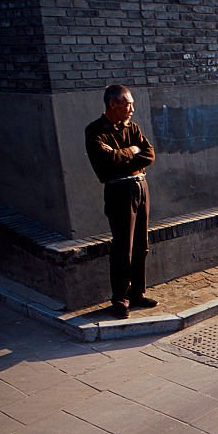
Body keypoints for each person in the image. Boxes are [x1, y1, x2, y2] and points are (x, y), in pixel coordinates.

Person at [85, 84, 158, 319]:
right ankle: (120, 298)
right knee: (122, 247)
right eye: (128, 104)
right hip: (119, 191)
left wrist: (126, 152)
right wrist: (132, 152)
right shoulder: (95, 131)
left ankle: (138, 293)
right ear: (113, 104)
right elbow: (106, 163)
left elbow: (149, 154)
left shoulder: (132, 127)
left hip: (140, 186)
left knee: (141, 245)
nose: (132, 109)